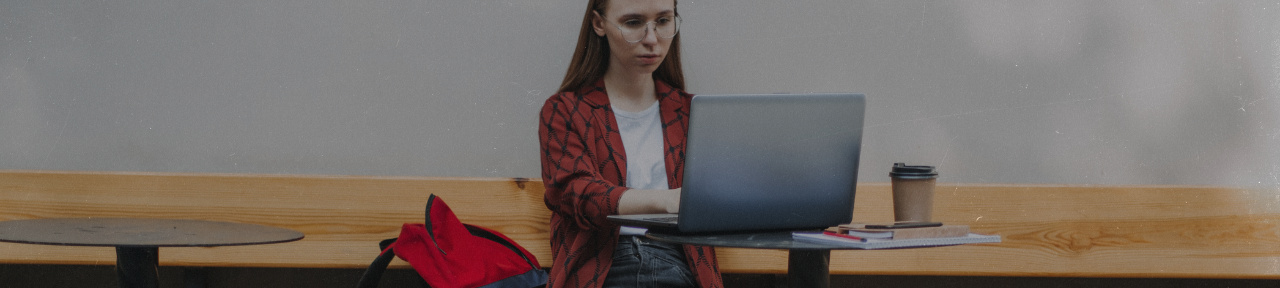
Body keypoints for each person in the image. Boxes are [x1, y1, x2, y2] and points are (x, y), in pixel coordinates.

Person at [537, 0, 721, 287]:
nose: (651, 39)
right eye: (633, 23)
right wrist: (668, 200)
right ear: (598, 24)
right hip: (601, 270)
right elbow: (577, 192)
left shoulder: (692, 114)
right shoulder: (565, 110)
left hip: (676, 263)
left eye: (663, 21)